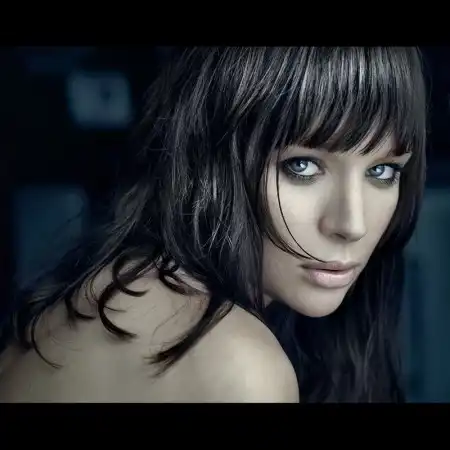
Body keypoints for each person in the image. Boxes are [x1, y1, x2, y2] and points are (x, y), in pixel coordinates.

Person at [0, 47, 427, 403]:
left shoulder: (123, 288)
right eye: (301, 166)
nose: (351, 224)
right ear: (212, 158)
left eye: (382, 172)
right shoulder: (239, 366)